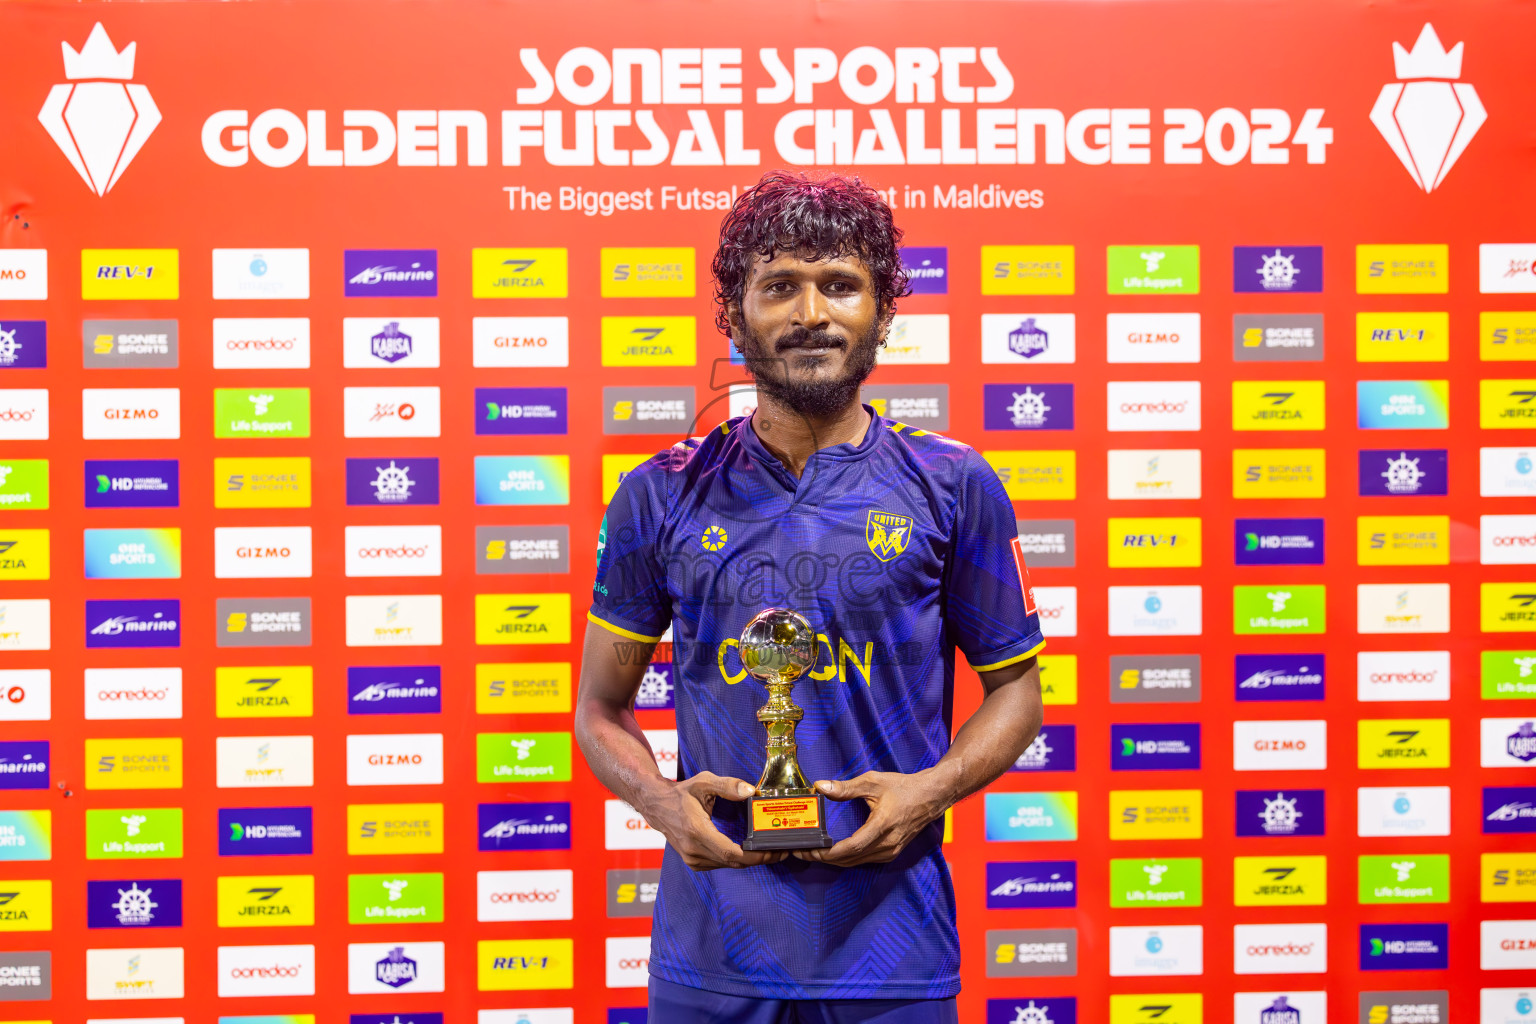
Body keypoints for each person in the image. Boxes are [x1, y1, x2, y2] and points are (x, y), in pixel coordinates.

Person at [575, 170, 1046, 1023]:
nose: (810, 314)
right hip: (711, 952)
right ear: (735, 312)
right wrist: (658, 802)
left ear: (882, 313)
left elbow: (1016, 692)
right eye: (779, 286)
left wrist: (931, 790)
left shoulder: (953, 484)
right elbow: (600, 708)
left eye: (839, 285)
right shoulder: (659, 494)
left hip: (895, 952)